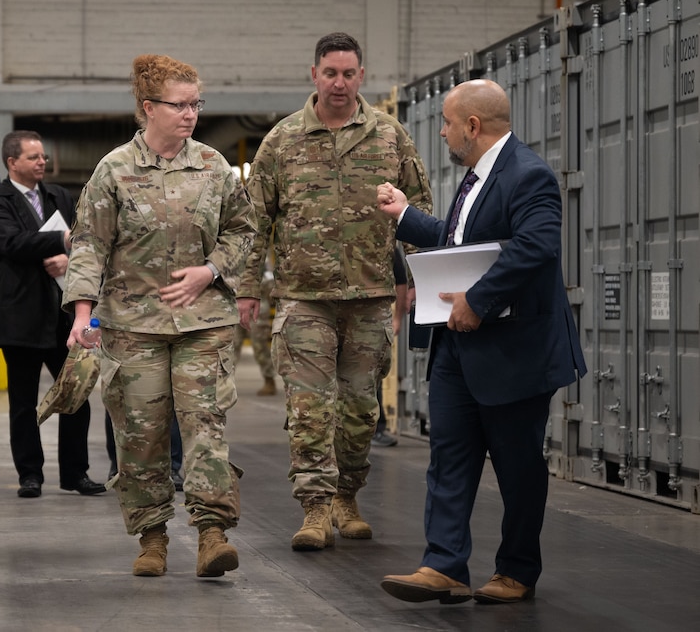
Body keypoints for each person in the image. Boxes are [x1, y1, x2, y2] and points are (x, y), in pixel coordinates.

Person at [376, 78, 586, 604]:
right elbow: (459, 239)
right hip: (458, 349)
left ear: (472, 126)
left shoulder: (529, 176)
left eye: (447, 123)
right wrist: (405, 215)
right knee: (449, 458)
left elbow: (536, 245)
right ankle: (443, 564)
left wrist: (477, 300)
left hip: (514, 352)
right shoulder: (475, 178)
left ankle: (516, 571)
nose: (443, 132)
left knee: (517, 467)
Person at [237, 32, 432, 551]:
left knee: (359, 410)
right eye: (330, 73)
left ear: (361, 76)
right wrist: (246, 289)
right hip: (305, 298)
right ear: (314, 74)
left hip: (370, 299)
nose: (339, 83)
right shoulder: (282, 140)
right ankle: (315, 509)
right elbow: (253, 222)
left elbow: (421, 213)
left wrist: (424, 286)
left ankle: (348, 496)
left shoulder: (390, 137)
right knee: (308, 408)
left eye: (348, 73)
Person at [64, 54, 255, 578]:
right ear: (149, 108)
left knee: (204, 428)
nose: (190, 114)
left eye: (197, 104)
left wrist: (210, 270)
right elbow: (88, 244)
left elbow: (244, 232)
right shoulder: (114, 171)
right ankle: (151, 537)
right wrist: (82, 314)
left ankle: (212, 534)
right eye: (180, 105)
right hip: (131, 327)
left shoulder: (215, 167)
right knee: (141, 436)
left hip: (204, 322)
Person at [0, 131, 103, 499]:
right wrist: (60, 241)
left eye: (43, 156)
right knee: (23, 404)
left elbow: (81, 239)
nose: (41, 162)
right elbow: (10, 243)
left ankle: (75, 473)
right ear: (11, 162)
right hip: (21, 315)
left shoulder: (59, 196)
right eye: (33, 157)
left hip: (62, 316)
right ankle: (30, 474)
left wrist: (69, 256)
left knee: (75, 396)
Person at [372, 245, 410, 448]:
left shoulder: (381, 237)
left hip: (372, 319)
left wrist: (397, 319)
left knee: (372, 375)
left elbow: (401, 281)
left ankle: (377, 429)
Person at [233, 247, 276, 395]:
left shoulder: (260, 247)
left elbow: (269, 276)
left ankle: (269, 380)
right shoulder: (233, 243)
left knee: (260, 346)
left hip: (257, 304)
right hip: (233, 303)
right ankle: (225, 384)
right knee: (232, 346)